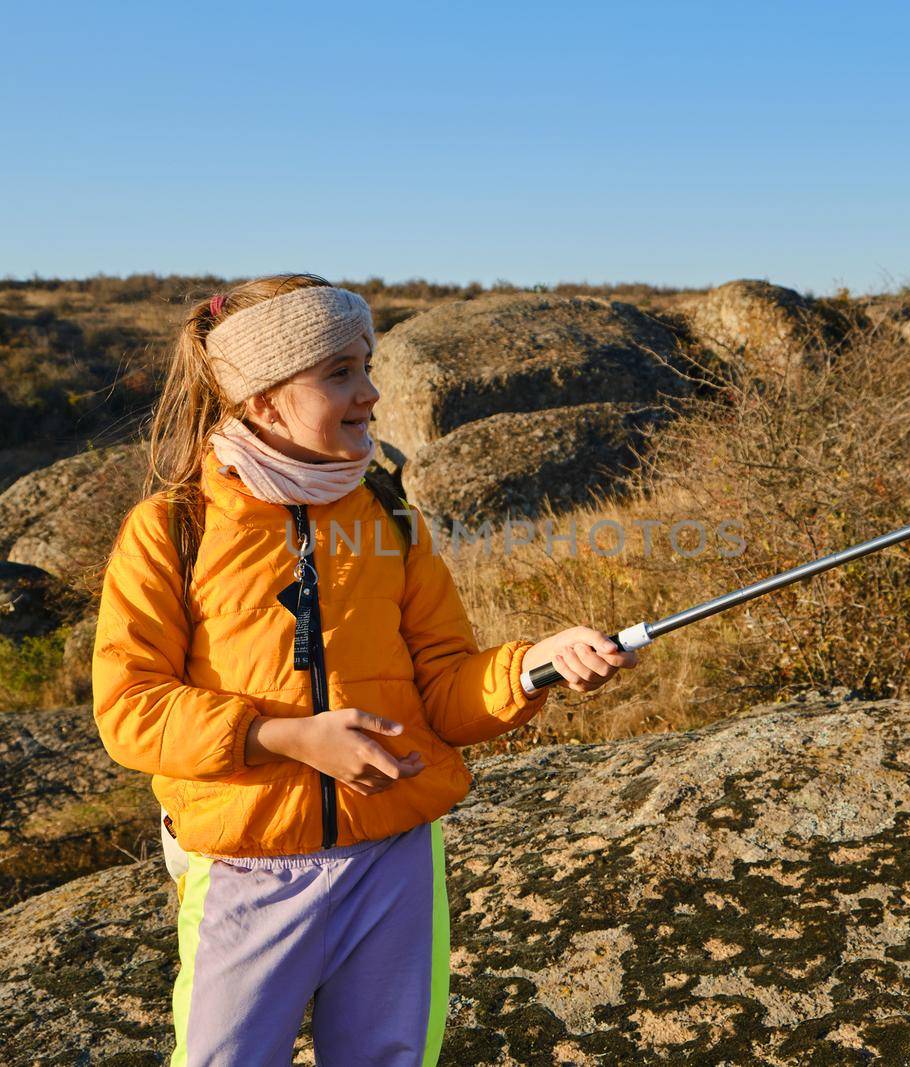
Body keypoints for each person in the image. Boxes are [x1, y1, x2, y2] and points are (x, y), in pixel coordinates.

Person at [91, 273, 640, 1066]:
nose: (371, 392)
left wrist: (534, 667)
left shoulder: (390, 519)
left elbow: (447, 695)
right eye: (340, 372)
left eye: (367, 365)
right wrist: (288, 736)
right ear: (266, 397)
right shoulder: (172, 528)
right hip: (244, 867)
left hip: (393, 858)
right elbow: (130, 709)